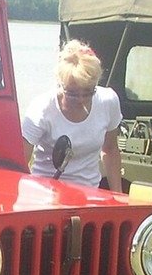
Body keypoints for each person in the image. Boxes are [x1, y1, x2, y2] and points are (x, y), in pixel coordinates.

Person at [22, 39, 122, 191]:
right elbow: (20, 163)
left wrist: (118, 194)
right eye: (72, 94)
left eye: (88, 92)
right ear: (60, 84)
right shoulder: (42, 108)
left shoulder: (108, 101)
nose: (81, 100)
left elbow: (110, 149)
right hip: (46, 193)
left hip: (89, 193)